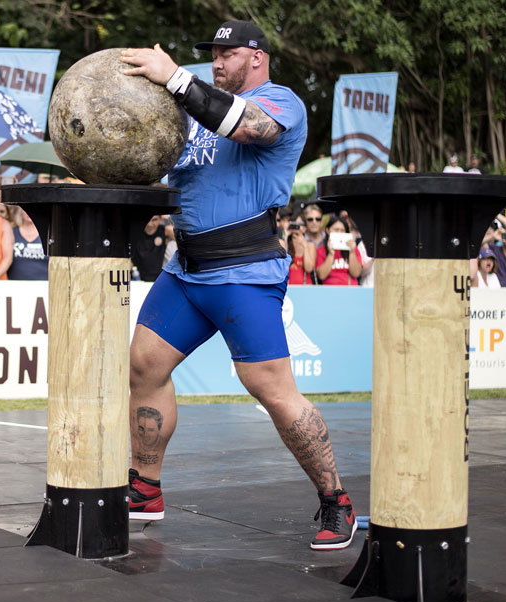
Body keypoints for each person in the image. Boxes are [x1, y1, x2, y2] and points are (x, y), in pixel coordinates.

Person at [121, 20, 356, 551]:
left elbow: (250, 129)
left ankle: (336, 501)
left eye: (227, 54)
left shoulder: (281, 102)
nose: (217, 62)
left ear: (257, 57)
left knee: (272, 390)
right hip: (186, 270)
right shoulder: (192, 115)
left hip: (245, 270)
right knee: (143, 365)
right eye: (213, 55)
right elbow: (155, 163)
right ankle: (145, 488)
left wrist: (176, 77)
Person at [315, 216, 362, 285]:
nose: (339, 232)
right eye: (336, 230)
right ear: (327, 230)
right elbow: (321, 276)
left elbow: (356, 273)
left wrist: (352, 252)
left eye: (342, 230)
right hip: (329, 290)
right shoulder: (321, 250)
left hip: (350, 290)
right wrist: (331, 254)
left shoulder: (353, 249)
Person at [6, 205, 48, 280]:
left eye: (34, 210)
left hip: (43, 285)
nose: (30, 213)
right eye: (27, 210)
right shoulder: (11, 232)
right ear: (21, 211)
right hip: (16, 285)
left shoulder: (47, 234)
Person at [132, 216, 173, 282]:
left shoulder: (165, 231)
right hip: (138, 280)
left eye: (154, 220)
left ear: (160, 219)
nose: (150, 224)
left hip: (158, 280)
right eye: (147, 220)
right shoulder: (135, 233)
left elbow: (185, 240)